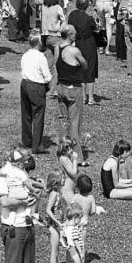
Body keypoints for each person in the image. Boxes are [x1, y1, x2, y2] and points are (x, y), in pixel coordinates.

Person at [0, 149, 36, 263]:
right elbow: (5, 202)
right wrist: (24, 201)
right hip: (14, 228)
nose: (26, 164)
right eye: (24, 162)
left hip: (26, 224)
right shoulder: (2, 175)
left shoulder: (20, 174)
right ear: (18, 162)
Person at [54, 26, 88, 164]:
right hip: (73, 88)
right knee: (75, 123)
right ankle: (77, 156)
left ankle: (63, 151)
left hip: (61, 87)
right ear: (70, 35)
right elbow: (85, 65)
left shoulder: (57, 47)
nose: (76, 35)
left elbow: (56, 64)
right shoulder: (74, 50)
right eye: (74, 33)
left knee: (64, 122)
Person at [19, 33, 53, 154]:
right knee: (38, 114)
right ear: (39, 43)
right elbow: (47, 75)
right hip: (36, 85)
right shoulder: (41, 57)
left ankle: (27, 140)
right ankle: (37, 145)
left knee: (26, 113)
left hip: (25, 84)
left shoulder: (25, 55)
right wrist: (47, 82)